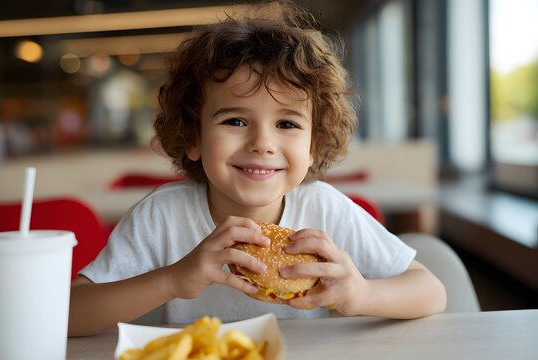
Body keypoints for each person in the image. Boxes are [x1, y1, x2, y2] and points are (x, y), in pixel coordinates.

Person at [68, 0, 446, 337]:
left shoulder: (325, 210)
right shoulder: (164, 216)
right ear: (193, 136)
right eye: (234, 121)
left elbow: (431, 292)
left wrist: (362, 294)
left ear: (312, 147)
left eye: (287, 124)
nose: (262, 143)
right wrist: (174, 279)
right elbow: (70, 314)